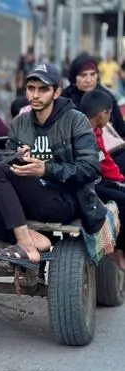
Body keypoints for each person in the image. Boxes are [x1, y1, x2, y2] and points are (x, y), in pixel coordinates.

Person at [0, 63, 106, 263]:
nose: (36, 95)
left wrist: (46, 170)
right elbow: (7, 164)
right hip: (27, 198)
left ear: (56, 92)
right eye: (31, 89)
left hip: (64, 200)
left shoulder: (76, 120)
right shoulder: (19, 123)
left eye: (43, 89)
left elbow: (91, 169)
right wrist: (15, 156)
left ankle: (25, 245)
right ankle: (34, 238)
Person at [80, 89, 125, 270]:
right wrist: (120, 180)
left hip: (95, 179)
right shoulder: (87, 133)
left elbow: (104, 160)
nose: (110, 118)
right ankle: (118, 250)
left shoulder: (94, 130)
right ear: (102, 114)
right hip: (88, 183)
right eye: (109, 113)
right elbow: (104, 164)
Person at [61, 52, 125, 170]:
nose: (89, 80)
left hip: (109, 151)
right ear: (74, 77)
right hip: (76, 155)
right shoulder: (64, 99)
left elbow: (120, 129)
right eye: (83, 75)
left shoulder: (106, 96)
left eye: (92, 74)